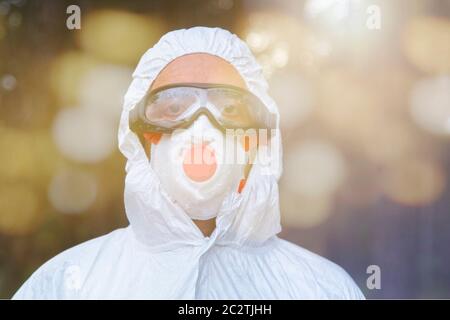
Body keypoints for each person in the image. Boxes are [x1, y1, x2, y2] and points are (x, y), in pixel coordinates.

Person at [13, 27, 364, 299]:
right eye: (172, 108)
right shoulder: (68, 284)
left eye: (230, 109)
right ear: (140, 134)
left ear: (257, 137)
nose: (201, 128)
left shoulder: (322, 289)